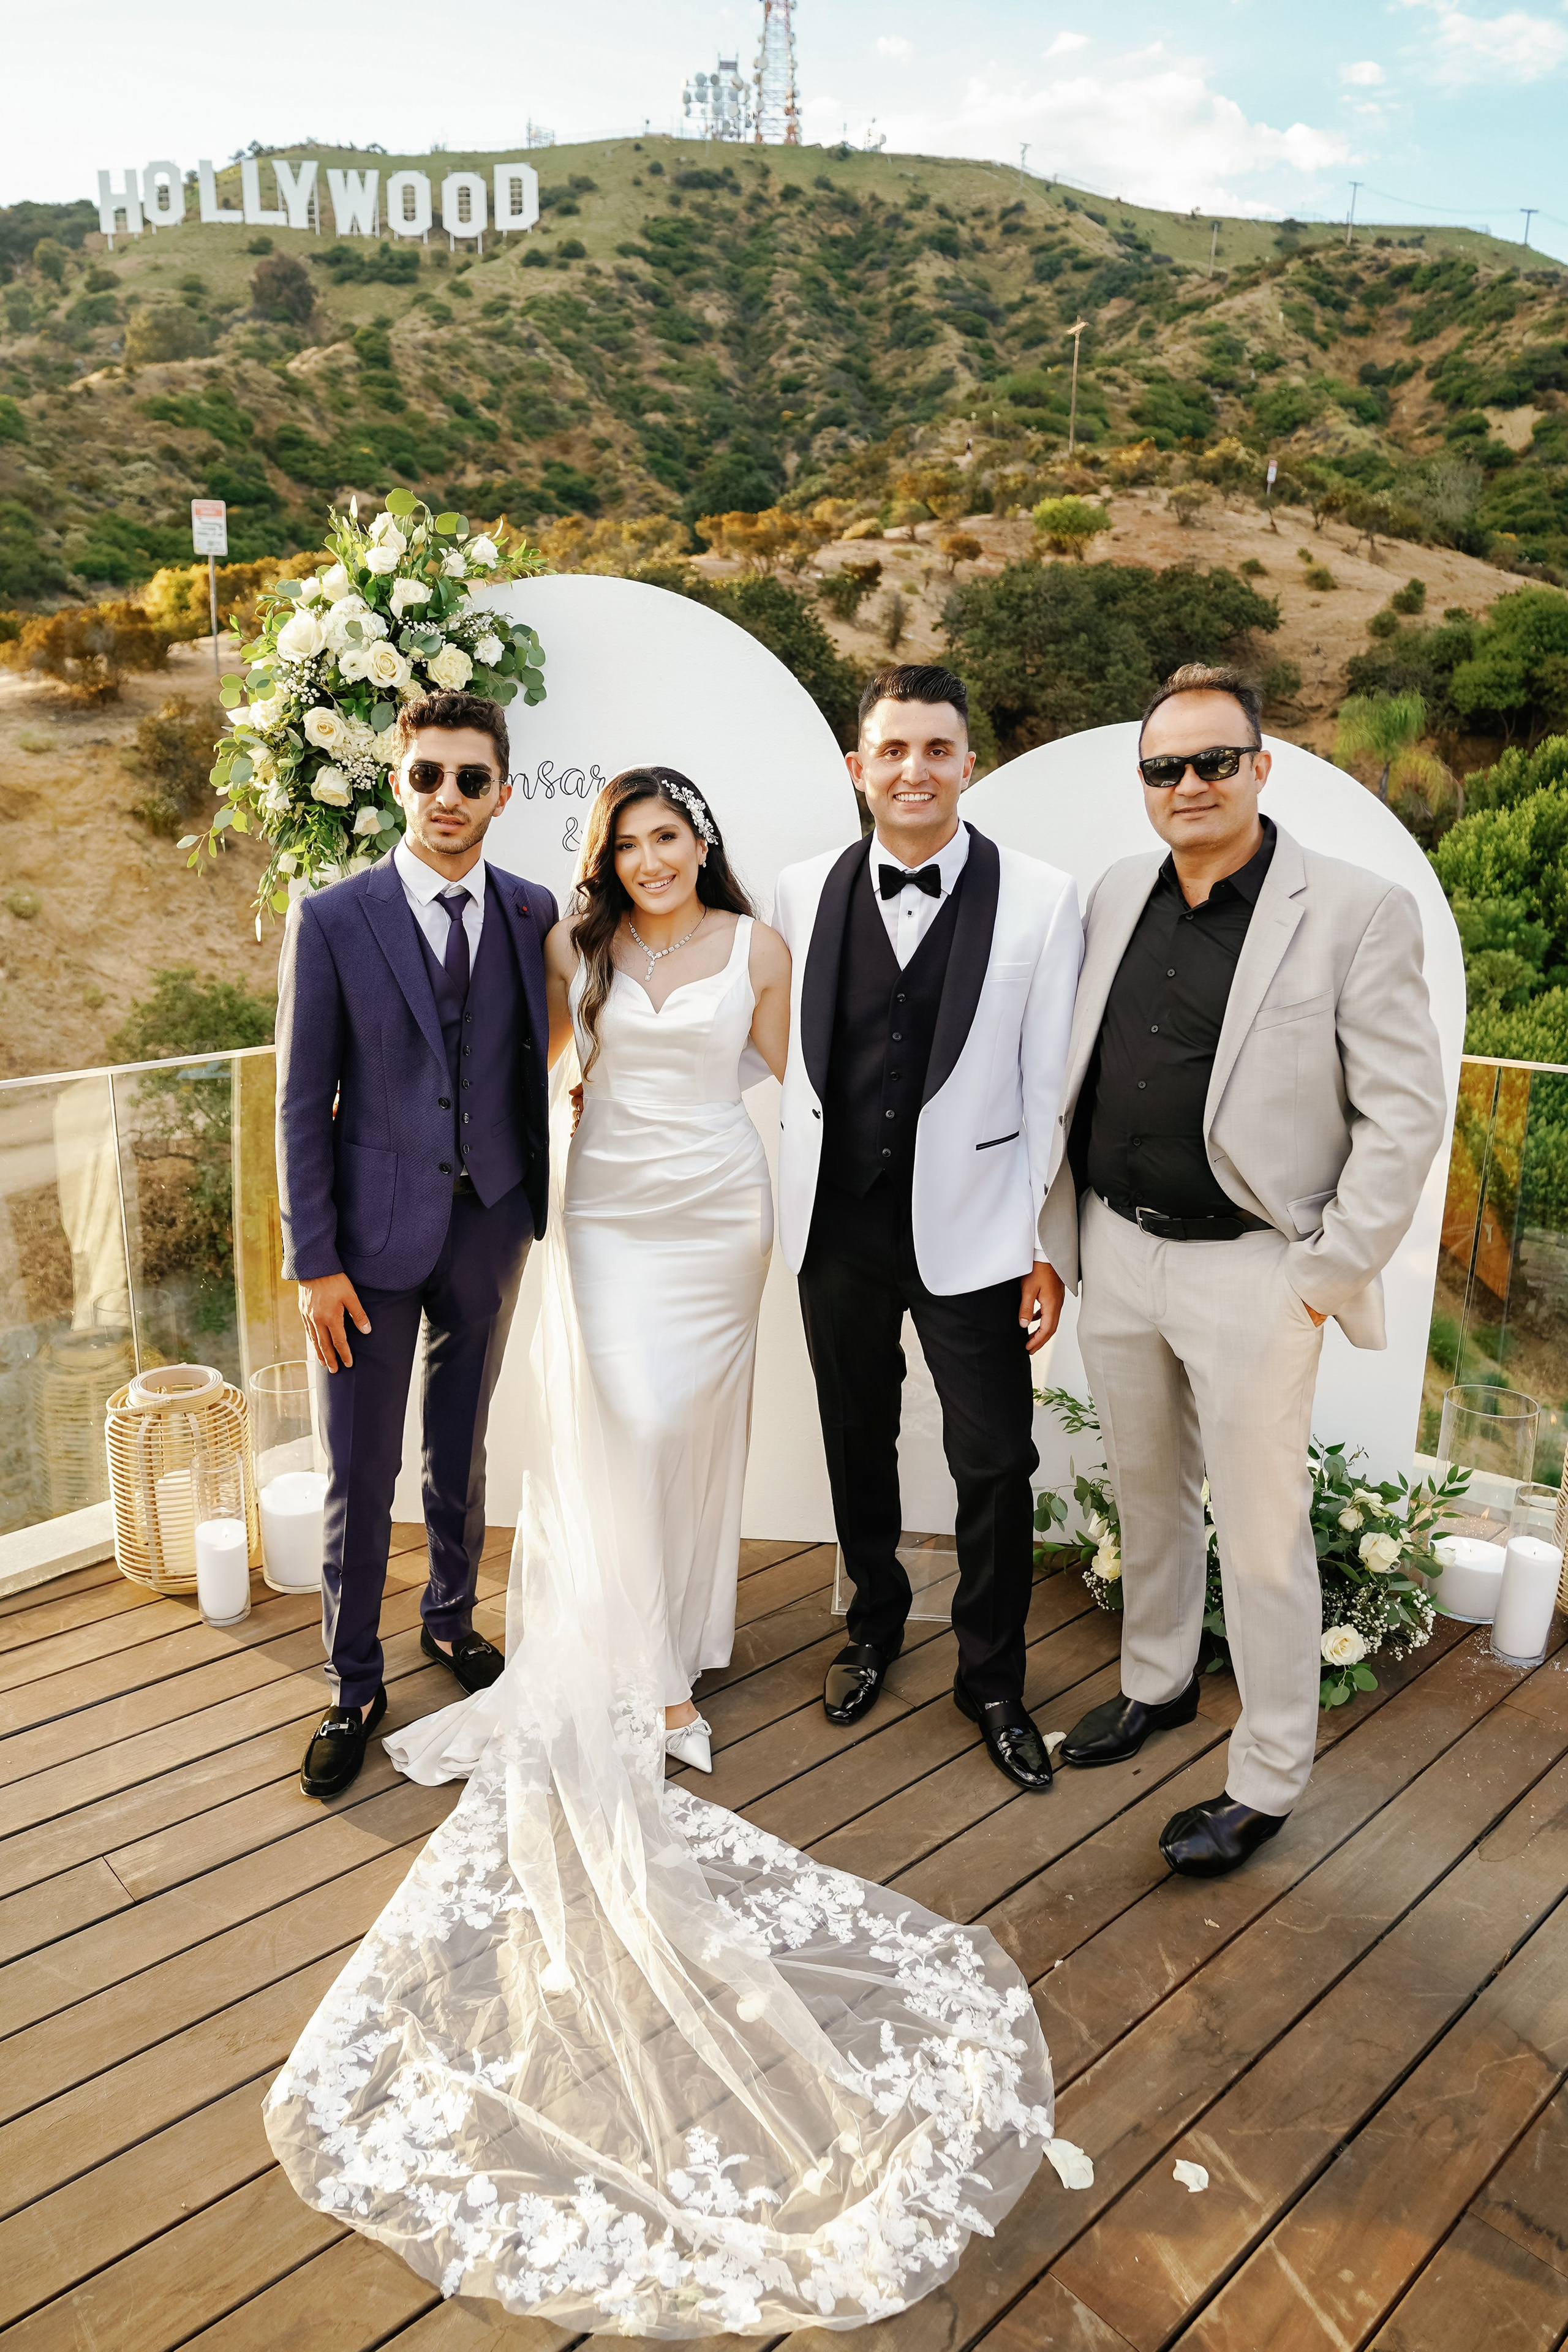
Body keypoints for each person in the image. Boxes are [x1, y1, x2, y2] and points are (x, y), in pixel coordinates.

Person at [263, 765, 1072, 2328]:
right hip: (615, 1221)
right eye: (627, 839)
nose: (651, 858)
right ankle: (639, 1682)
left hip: (721, 1216)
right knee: (624, 1436)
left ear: (700, 844)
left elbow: (799, 1081)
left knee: (694, 1435)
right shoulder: (576, 956)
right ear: (604, 857)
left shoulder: (764, 950)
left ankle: (681, 1640)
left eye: (671, 834)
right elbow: (538, 1087)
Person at [1042, 663, 1446, 1878]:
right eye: (1164, 767)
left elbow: (1404, 1118)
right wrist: (1058, 1240)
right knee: (1147, 1488)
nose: (1189, 784)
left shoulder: (1354, 911)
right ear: (1143, 785)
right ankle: (1157, 1683)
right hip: (1114, 1249)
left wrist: (1318, 1276)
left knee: (1261, 1537)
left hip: (1254, 1270)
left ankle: (1266, 1775)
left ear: (1261, 769)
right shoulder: (1114, 894)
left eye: (1214, 760)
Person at [774, 664, 1082, 1792]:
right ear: (859, 769)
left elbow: (1050, 1084)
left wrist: (1048, 1243)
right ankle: (873, 1623)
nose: (915, 770)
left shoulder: (1045, 898)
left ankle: (992, 1676)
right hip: (837, 1220)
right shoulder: (799, 889)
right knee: (857, 1434)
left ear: (969, 763)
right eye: (892, 751)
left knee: (995, 1457)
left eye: (937, 749)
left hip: (982, 1227)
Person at [274, 690, 555, 1801]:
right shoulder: (335, 919)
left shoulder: (535, 913)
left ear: (502, 790)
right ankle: (351, 1680)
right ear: (398, 780)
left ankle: (450, 1619)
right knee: (359, 1463)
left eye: (470, 778)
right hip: (366, 1244)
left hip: (489, 1227)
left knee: (463, 1442)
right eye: (427, 775)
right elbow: (303, 1104)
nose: (448, 797)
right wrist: (314, 1261)